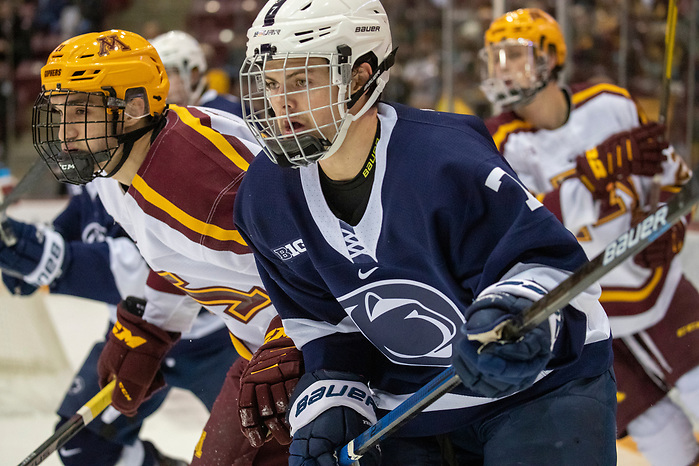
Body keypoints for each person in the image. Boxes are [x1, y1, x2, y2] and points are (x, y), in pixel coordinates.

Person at [233, 1, 616, 465]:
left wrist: (517, 314)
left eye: (301, 81)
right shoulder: (264, 195)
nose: (279, 102)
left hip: (537, 388)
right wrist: (334, 395)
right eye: (271, 83)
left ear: (358, 78)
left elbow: (549, 263)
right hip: (411, 408)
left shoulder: (445, 160)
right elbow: (323, 320)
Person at [31, 29, 300, 465]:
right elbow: (180, 256)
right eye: (60, 111)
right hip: (268, 355)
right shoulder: (116, 175)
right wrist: (150, 330)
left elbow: (330, 258)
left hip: (335, 352)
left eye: (81, 110)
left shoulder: (199, 181)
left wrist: (296, 339)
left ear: (134, 110)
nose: (64, 131)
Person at [479, 8, 699, 466]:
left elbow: (673, 178)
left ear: (552, 58)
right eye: (495, 58)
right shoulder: (494, 141)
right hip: (585, 308)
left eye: (515, 55)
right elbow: (524, 226)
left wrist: (671, 226)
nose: (502, 69)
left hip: (652, 283)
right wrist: (594, 170)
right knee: (666, 443)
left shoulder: (610, 102)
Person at [0, 183, 235, 466]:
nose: (63, 140)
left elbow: (156, 272)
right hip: (128, 335)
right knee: (83, 446)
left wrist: (54, 260)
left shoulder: (161, 158)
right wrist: (35, 253)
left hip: (217, 340)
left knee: (260, 448)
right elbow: (76, 222)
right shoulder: (92, 174)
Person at [150, 30, 244, 117]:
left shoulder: (228, 113)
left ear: (193, 75)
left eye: (167, 74)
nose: (159, 84)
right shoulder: (162, 115)